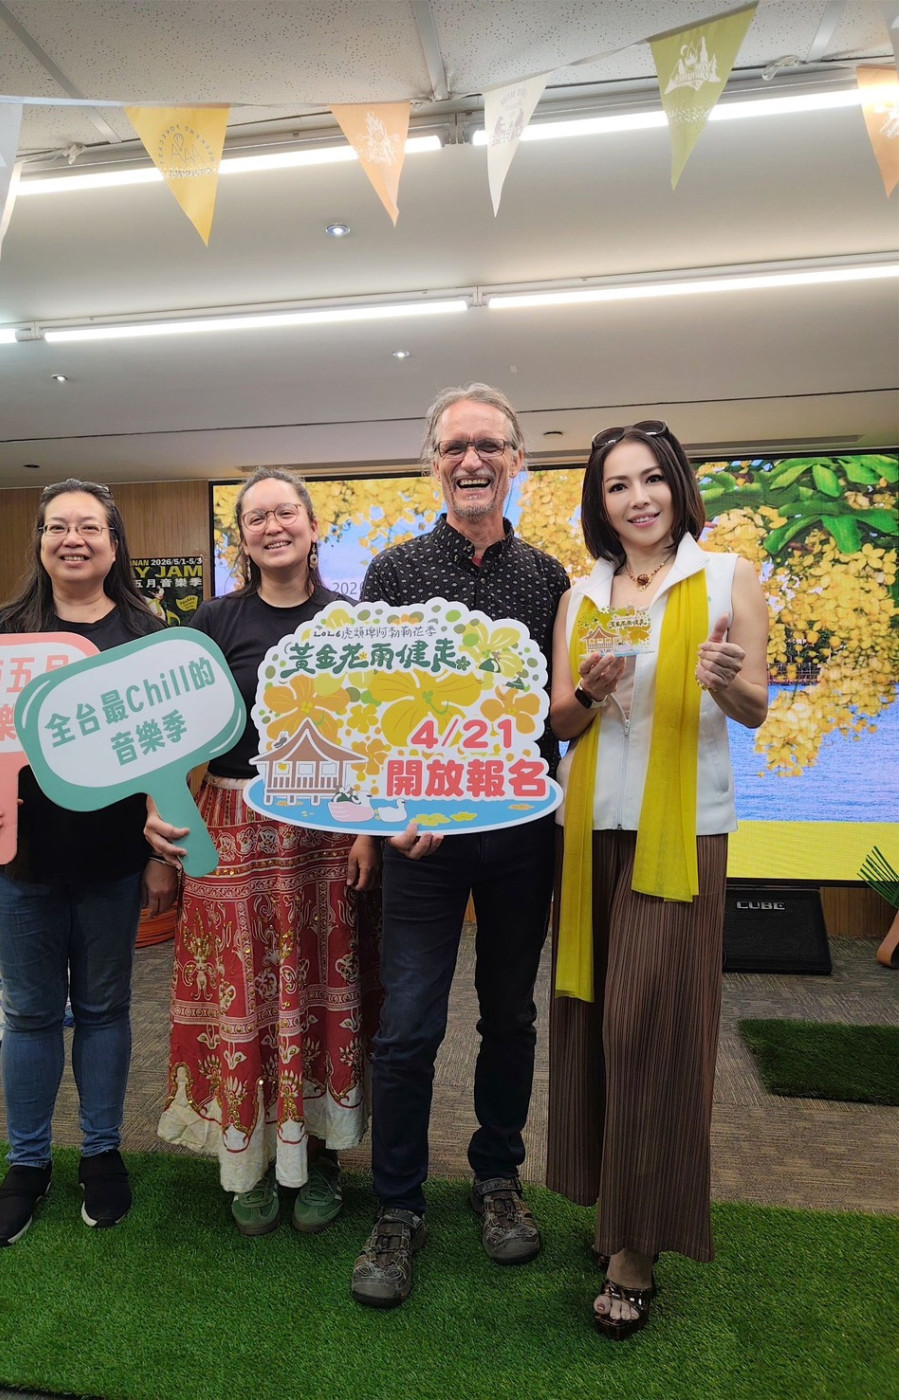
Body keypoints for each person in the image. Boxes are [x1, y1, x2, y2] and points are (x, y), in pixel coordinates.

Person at [348, 383, 569, 1309]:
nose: (470, 460)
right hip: (422, 842)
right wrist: (381, 816)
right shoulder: (394, 572)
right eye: (453, 447)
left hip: (520, 836)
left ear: (516, 461)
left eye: (487, 445)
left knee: (509, 1015)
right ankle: (396, 1205)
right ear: (432, 464)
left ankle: (496, 1178)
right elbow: (364, 707)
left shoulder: (550, 580)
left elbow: (559, 717)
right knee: (407, 1027)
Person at [546, 420, 769, 1339]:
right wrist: (591, 692)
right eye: (616, 486)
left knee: (650, 1031)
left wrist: (723, 680)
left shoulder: (726, 578)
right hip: (587, 832)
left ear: (677, 485)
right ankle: (614, 1211)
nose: (636, 498)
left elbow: (754, 708)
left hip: (681, 833)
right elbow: (561, 722)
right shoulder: (581, 594)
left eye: (650, 479)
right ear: (598, 504)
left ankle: (636, 1252)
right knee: (592, 1025)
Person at [146, 467, 380, 1237]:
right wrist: (159, 816)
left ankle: (321, 1156)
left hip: (323, 826)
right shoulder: (214, 622)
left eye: (286, 513)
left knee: (317, 987)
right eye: (256, 518)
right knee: (240, 993)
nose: (273, 527)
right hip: (232, 822)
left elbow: (373, 737)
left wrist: (367, 830)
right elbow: (178, 734)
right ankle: (245, 1162)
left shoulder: (349, 621)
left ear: (313, 527)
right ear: (241, 538)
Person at [0, 478, 176, 1247]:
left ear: (114, 543)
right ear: (40, 540)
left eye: (88, 527)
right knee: (29, 1012)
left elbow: (167, 752)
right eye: (57, 526)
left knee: (106, 1009)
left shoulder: (146, 633)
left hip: (114, 859)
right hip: (19, 860)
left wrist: (161, 855)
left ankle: (101, 1154)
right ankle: (26, 1164)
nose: (72, 539)